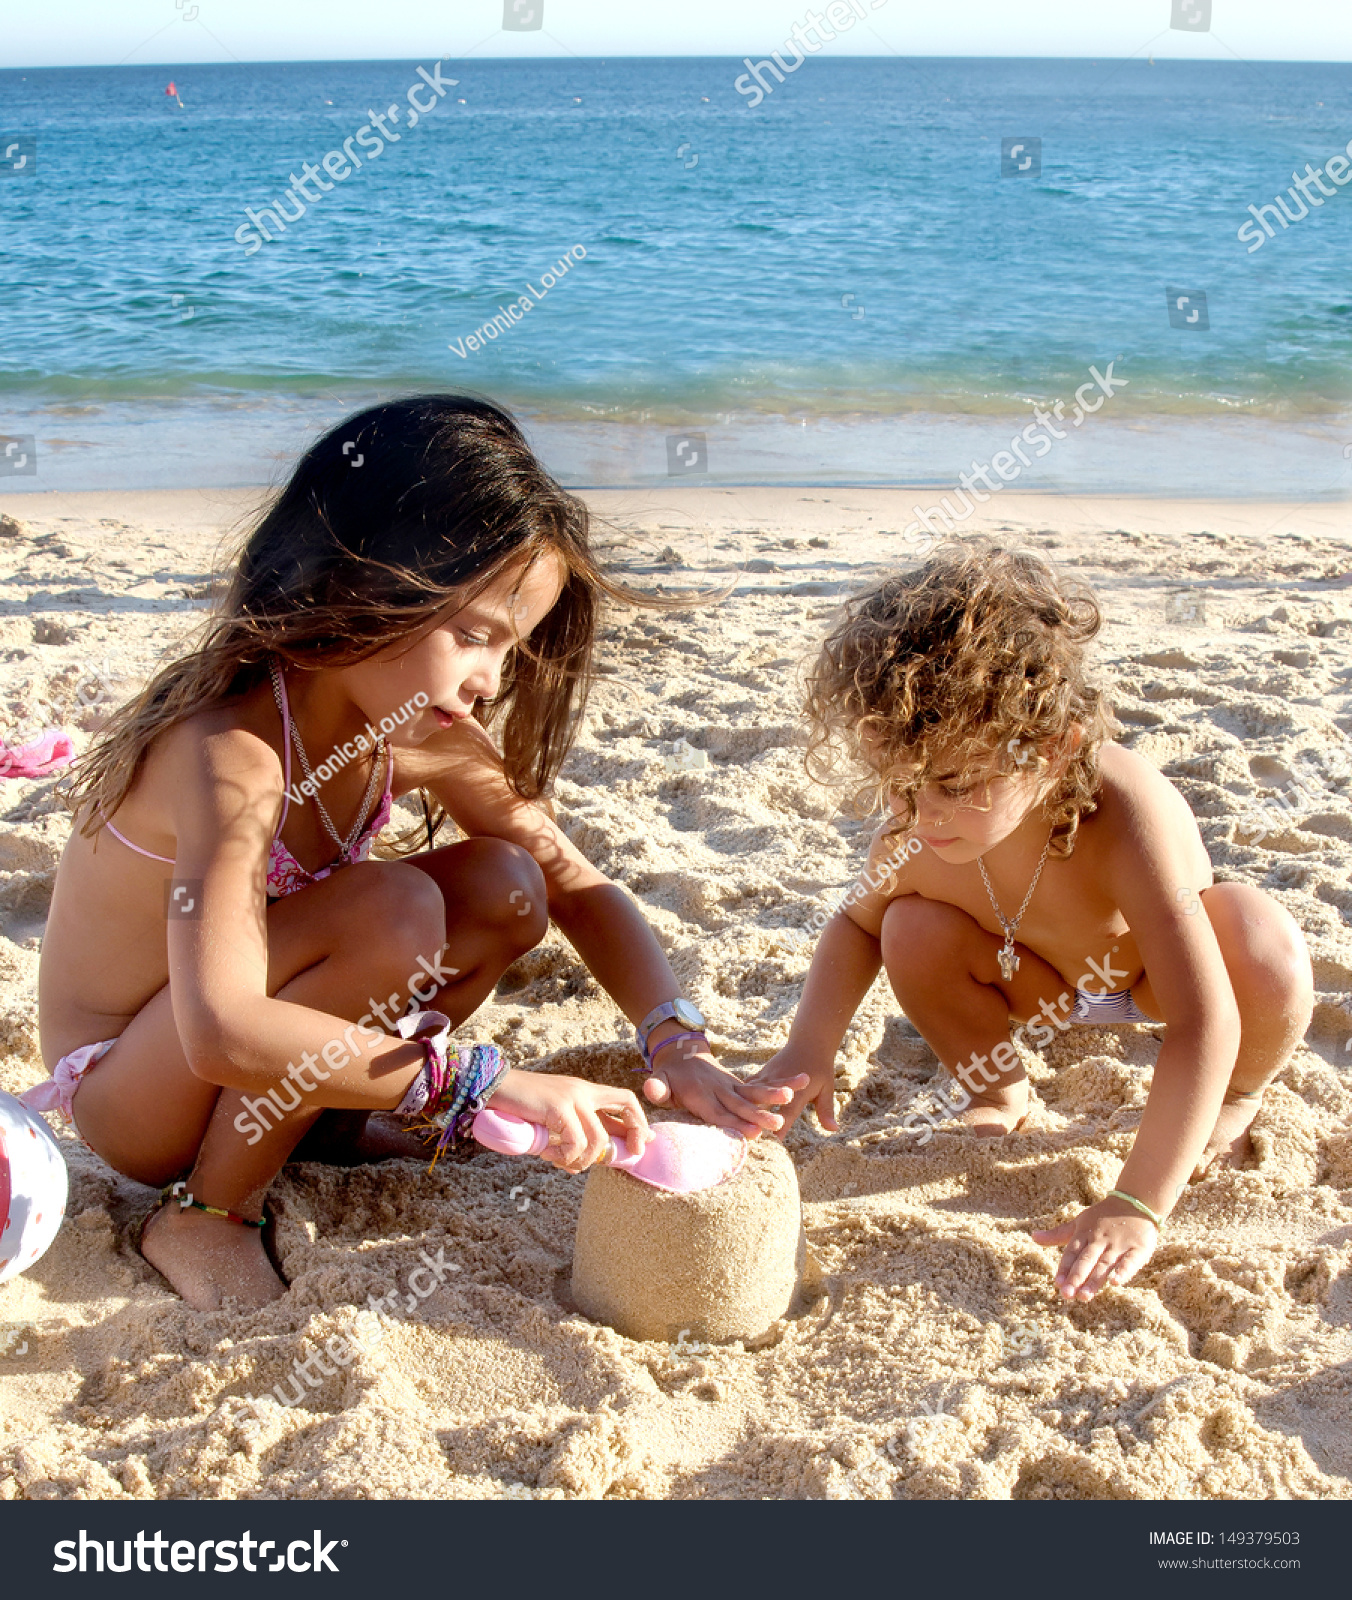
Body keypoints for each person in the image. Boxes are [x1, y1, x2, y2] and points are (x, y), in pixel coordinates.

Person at [30, 396, 800, 1310]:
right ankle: (208, 1212)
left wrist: (677, 1043)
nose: (490, 681)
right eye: (473, 635)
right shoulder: (229, 757)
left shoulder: (417, 730)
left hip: (261, 1056)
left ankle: (333, 1123)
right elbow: (222, 1027)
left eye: (510, 649)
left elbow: (577, 890)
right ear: (363, 581)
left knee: (507, 884)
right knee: (390, 913)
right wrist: (483, 1083)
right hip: (136, 1090)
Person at [753, 543, 1312, 1302]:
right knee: (906, 929)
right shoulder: (919, 830)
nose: (922, 815)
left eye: (952, 784)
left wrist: (1138, 1202)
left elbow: (1200, 1017)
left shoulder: (1123, 816)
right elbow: (854, 929)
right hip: (1031, 979)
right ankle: (998, 1086)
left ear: (1052, 749)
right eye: (901, 786)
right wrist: (807, 1049)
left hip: (1147, 977)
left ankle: (1239, 1095)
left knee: (1259, 939)